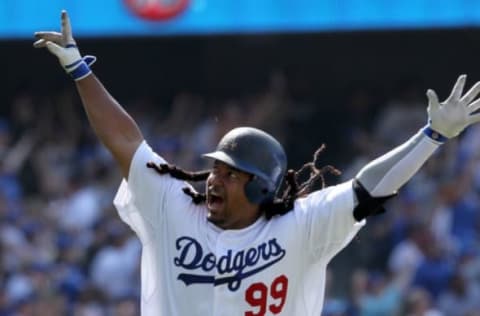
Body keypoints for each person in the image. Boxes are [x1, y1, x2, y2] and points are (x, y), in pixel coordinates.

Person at [33, 11, 480, 316]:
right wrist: (79, 69)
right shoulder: (172, 205)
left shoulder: (301, 226)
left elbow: (370, 188)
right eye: (216, 168)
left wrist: (431, 138)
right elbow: (126, 140)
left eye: (230, 173)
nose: (214, 179)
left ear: (260, 187)